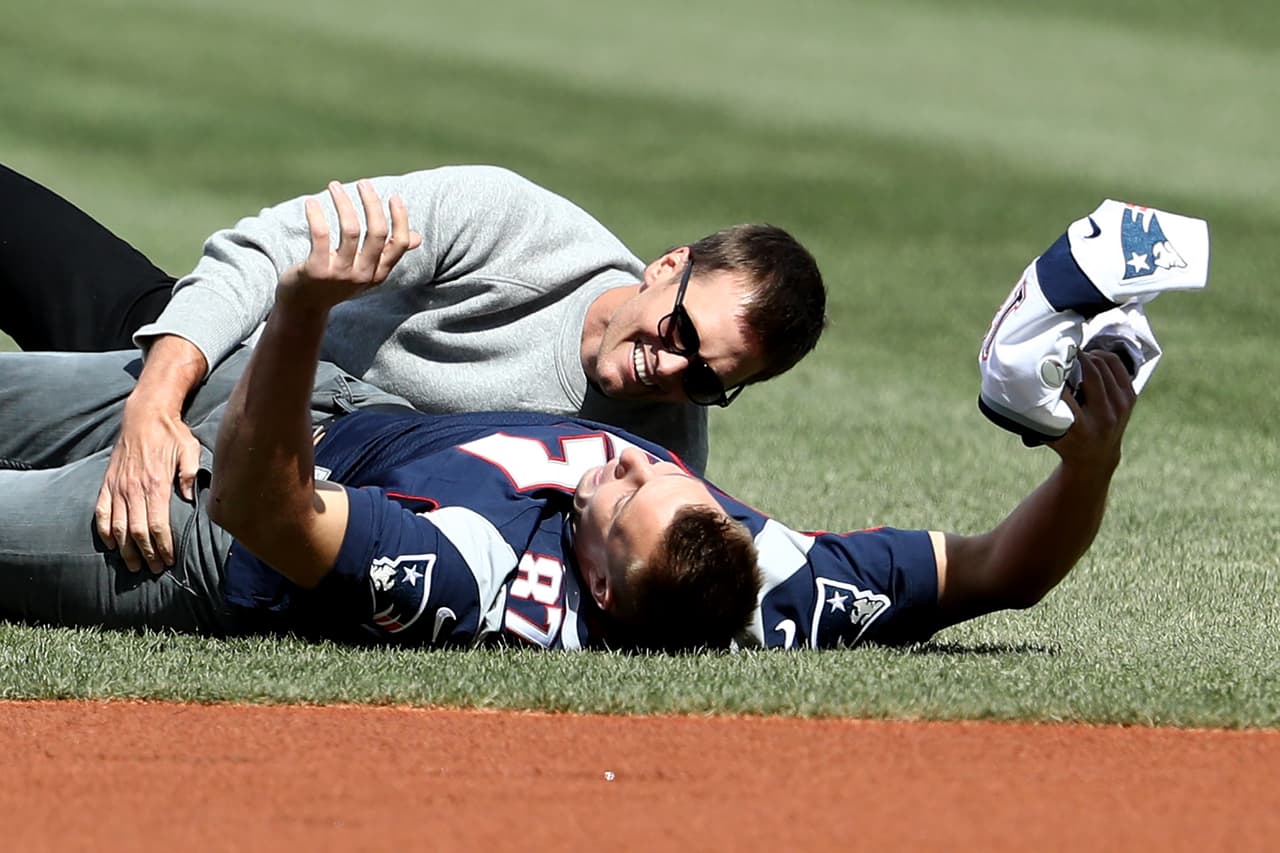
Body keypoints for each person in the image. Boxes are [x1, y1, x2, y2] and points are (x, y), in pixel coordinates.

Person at [0, 178, 1138, 651]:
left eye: (623, 495)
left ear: (592, 579)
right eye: (669, 479)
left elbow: (263, 504)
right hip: (241, 375)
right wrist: (1085, 465)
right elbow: (994, 572)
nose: (635, 460)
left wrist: (303, 315)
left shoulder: (474, 568)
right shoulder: (764, 575)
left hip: (219, 507)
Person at [0, 163, 827, 574]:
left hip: (258, 481)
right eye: (680, 327)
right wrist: (156, 399)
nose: (668, 367)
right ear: (667, 265)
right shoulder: (514, 224)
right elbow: (270, 249)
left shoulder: (651, 464)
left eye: (707, 378)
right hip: (215, 364)